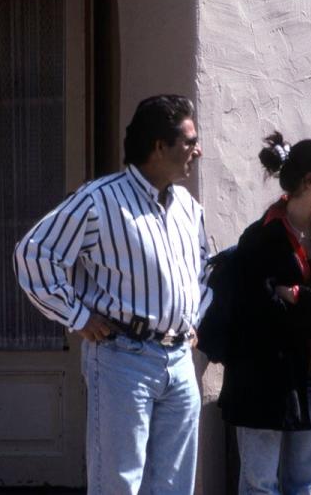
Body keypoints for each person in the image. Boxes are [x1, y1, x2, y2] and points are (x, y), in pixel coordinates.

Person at [13, 95, 210, 494]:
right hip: (124, 357)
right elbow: (35, 253)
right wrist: (77, 316)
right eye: (189, 141)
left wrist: (195, 316)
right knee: (118, 482)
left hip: (179, 360)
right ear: (159, 146)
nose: (197, 150)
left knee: (174, 486)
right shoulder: (100, 200)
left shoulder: (187, 205)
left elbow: (206, 266)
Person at [219, 132, 311, 494]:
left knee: (306, 483)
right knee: (259, 483)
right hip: (263, 376)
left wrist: (298, 296)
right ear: (309, 181)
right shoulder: (260, 237)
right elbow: (261, 310)